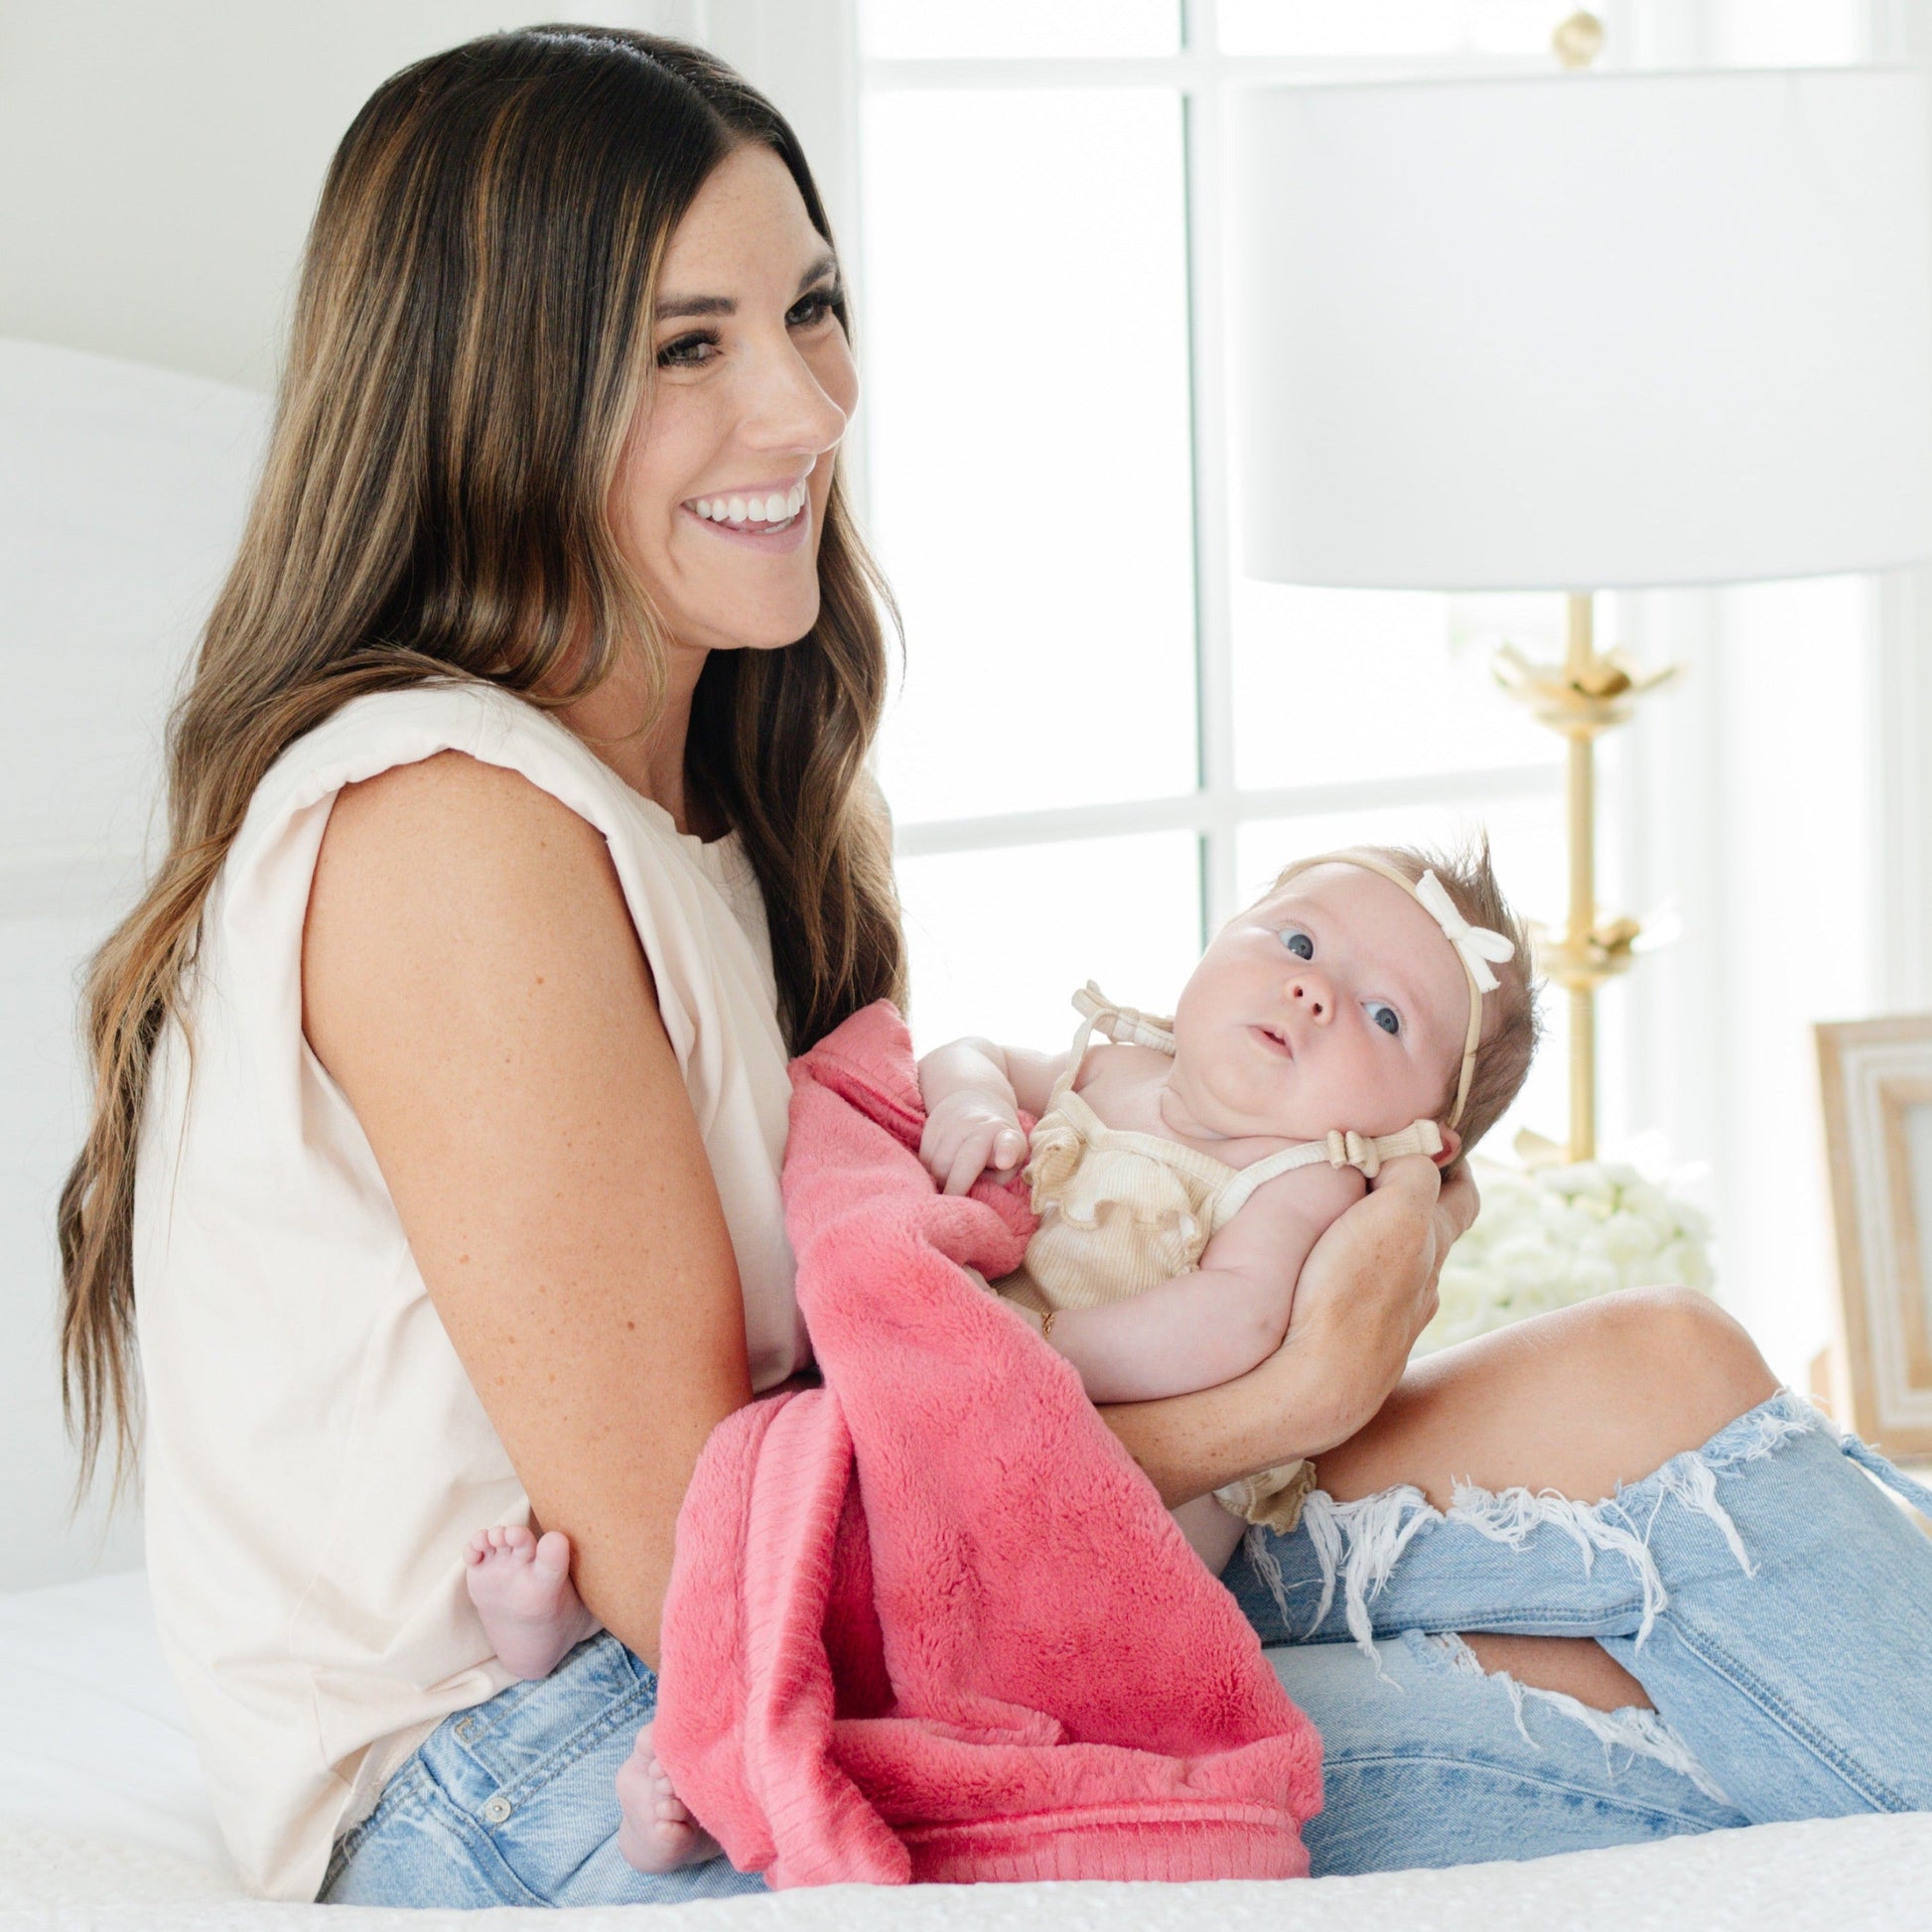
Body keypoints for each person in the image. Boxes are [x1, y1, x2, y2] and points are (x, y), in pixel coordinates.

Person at [55, 24, 1932, 1912]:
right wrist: (1282, 1400)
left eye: (809, 309)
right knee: (1667, 1697)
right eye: (684, 347)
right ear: (484, 400)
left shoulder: (687, 806)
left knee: (1658, 1368)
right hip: (568, 1765)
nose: (801, 408)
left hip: (856, 1603)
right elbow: (709, 1581)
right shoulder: (450, 835)